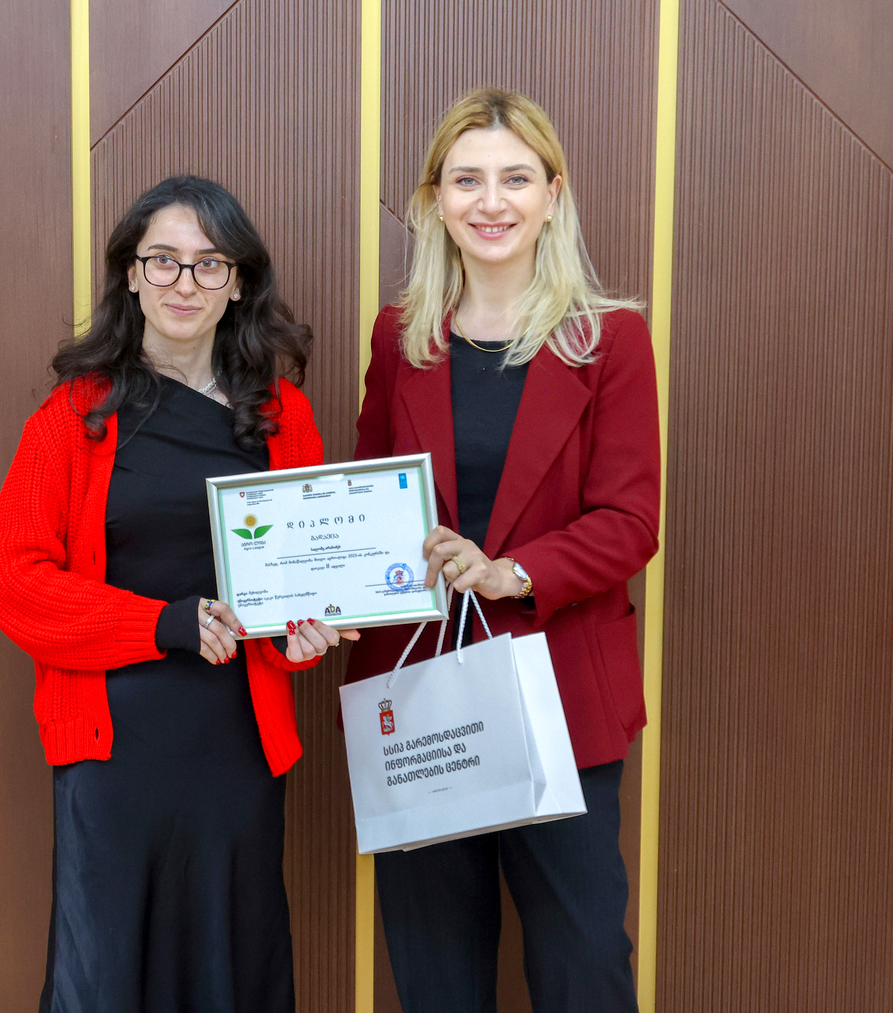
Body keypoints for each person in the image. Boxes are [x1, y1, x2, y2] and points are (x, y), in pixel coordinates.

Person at [0, 175, 357, 1013]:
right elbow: (10, 578)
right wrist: (161, 624)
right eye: (163, 260)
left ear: (239, 283)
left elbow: (300, 583)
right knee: (110, 971)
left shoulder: (283, 416)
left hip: (236, 746)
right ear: (131, 273)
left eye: (209, 264)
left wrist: (301, 635)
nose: (185, 283)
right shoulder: (74, 416)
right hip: (115, 747)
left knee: (232, 965)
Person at [345, 89, 660, 1012]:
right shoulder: (400, 338)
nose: (491, 202)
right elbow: (369, 502)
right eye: (467, 180)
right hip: (419, 697)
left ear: (553, 196)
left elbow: (631, 520)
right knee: (436, 975)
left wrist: (510, 572)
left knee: (583, 965)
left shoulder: (610, 340)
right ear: (434, 201)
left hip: (561, 694)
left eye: (515, 179)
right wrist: (321, 594)